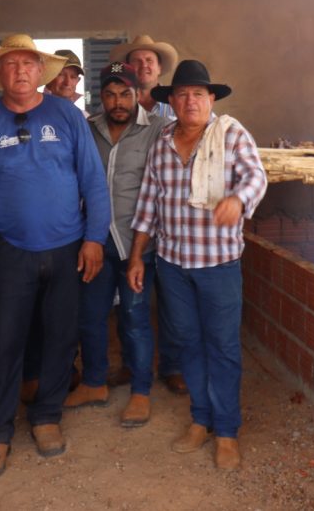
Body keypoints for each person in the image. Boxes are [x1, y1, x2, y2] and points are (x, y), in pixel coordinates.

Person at [0, 34, 110, 478]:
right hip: (10, 252)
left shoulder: (65, 115)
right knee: (4, 340)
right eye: (11, 65)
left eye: (29, 64)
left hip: (67, 247)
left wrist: (95, 239)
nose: (21, 71)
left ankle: (46, 416)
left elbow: (93, 181)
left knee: (62, 336)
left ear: (39, 71)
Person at [127, 59, 267, 471]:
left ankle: (226, 431)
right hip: (172, 264)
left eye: (198, 95)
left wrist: (238, 200)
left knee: (222, 347)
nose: (191, 101)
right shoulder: (163, 141)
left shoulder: (230, 134)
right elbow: (148, 204)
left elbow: (256, 176)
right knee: (187, 341)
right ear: (171, 101)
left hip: (219, 263)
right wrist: (137, 256)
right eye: (183, 94)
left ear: (211, 100)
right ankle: (200, 420)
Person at [64, 62, 166, 428]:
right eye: (110, 94)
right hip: (97, 241)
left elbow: (161, 189)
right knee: (90, 317)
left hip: (140, 242)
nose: (118, 102)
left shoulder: (158, 130)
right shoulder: (89, 128)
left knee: (136, 317)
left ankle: (141, 391)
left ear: (139, 94)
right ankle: (94, 382)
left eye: (125, 93)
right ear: (101, 97)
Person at [109, 35, 186, 394]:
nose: (143, 67)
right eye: (136, 61)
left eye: (149, 61)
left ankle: (171, 365)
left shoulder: (174, 108)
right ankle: (131, 363)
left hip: (169, 224)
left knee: (169, 302)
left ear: (158, 68)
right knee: (132, 301)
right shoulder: (118, 106)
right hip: (129, 225)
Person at [43, 48, 87, 113]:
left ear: (78, 81)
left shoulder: (83, 116)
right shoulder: (35, 112)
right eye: (61, 75)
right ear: (49, 78)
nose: (67, 83)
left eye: (73, 77)